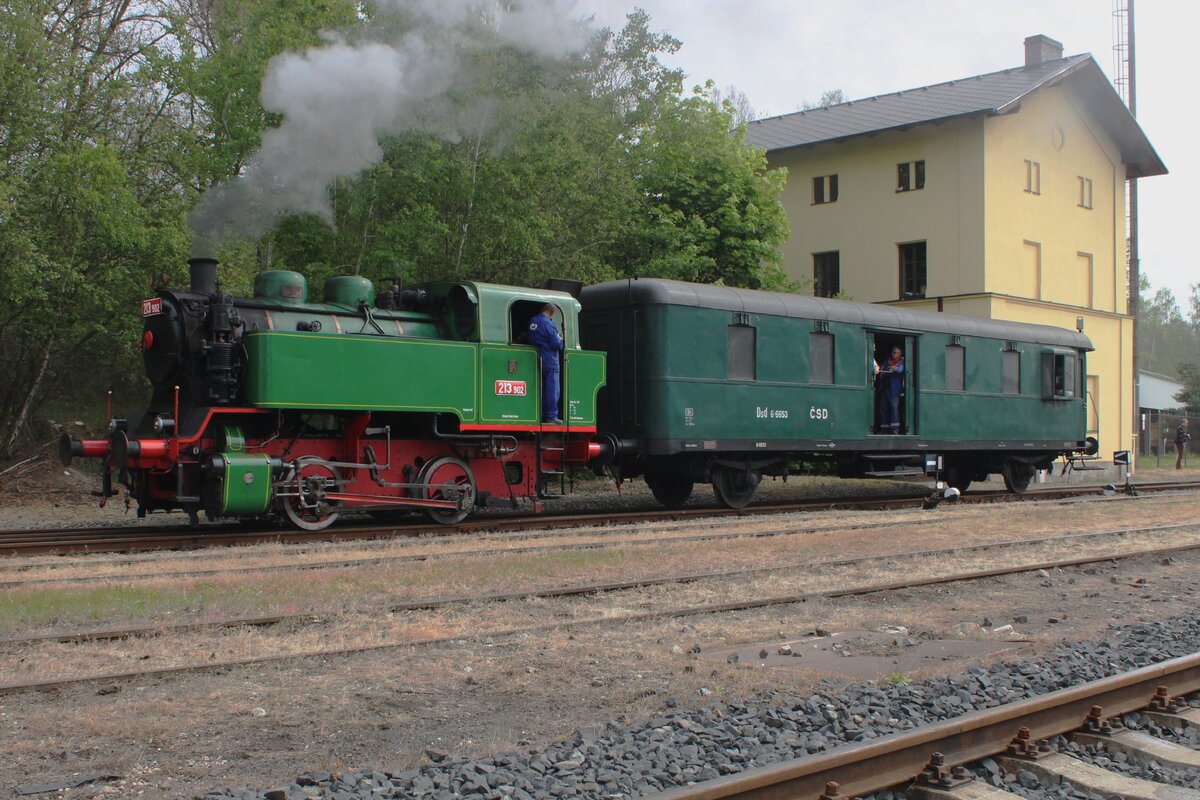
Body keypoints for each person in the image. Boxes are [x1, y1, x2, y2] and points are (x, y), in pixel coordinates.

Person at [527, 303, 564, 425]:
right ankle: (551, 416)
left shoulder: (533, 321)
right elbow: (556, 344)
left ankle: (539, 414)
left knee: (538, 389)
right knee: (552, 389)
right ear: (552, 313)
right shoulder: (548, 323)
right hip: (549, 359)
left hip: (535, 358)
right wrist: (560, 341)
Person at [879, 346, 905, 433]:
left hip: (895, 390)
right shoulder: (887, 361)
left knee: (894, 408)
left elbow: (900, 370)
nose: (893, 354)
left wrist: (893, 369)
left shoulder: (902, 362)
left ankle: (895, 429)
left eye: (895, 352)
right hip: (885, 389)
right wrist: (888, 370)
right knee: (883, 408)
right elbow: (881, 370)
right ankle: (884, 429)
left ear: (900, 353)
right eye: (892, 352)